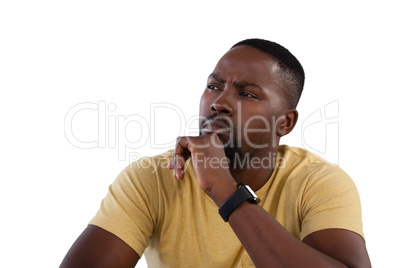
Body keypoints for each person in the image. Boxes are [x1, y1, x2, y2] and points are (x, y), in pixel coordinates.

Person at [60, 38, 371, 267]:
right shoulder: (152, 178)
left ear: (285, 122)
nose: (218, 102)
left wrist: (226, 192)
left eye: (246, 93)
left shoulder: (318, 181)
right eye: (214, 86)